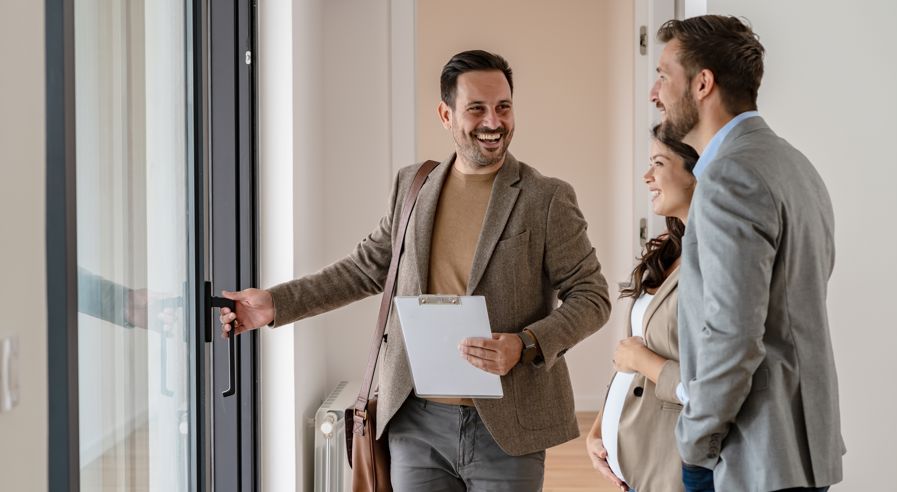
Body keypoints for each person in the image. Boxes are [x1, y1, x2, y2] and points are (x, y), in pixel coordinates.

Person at [218, 50, 612, 490]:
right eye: (476, 108)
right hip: (415, 421)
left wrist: (525, 344)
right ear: (445, 114)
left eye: (503, 107)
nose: (494, 122)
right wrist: (274, 303)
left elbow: (592, 295)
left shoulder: (546, 197)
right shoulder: (413, 186)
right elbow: (365, 269)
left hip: (507, 425)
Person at [650, 15, 844, 492]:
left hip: (754, 455)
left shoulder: (728, 177)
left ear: (702, 83)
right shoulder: (794, 165)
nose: (655, 93)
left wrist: (695, 443)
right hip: (804, 447)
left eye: (663, 76)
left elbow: (732, 335)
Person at [586, 125, 697, 492]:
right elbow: (626, 356)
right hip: (631, 468)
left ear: (695, 173)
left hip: (670, 466)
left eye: (659, 163)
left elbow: (710, 385)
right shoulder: (669, 247)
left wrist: (640, 360)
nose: (647, 176)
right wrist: (599, 429)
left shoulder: (714, 259)